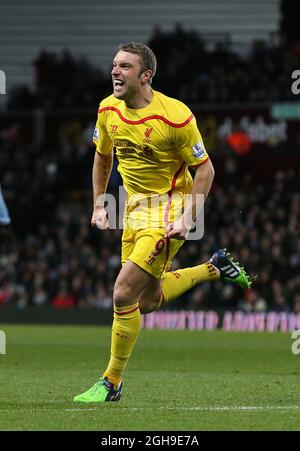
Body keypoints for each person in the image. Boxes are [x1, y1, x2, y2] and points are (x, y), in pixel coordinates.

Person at [73, 43, 251, 404]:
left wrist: (187, 219)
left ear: (145, 75)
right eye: (113, 65)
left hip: (169, 212)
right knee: (147, 301)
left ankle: (111, 383)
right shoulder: (108, 110)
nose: (115, 71)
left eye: (125, 66)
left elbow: (207, 169)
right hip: (132, 209)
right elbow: (102, 158)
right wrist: (98, 205)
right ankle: (213, 269)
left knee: (123, 293)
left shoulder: (175, 117)